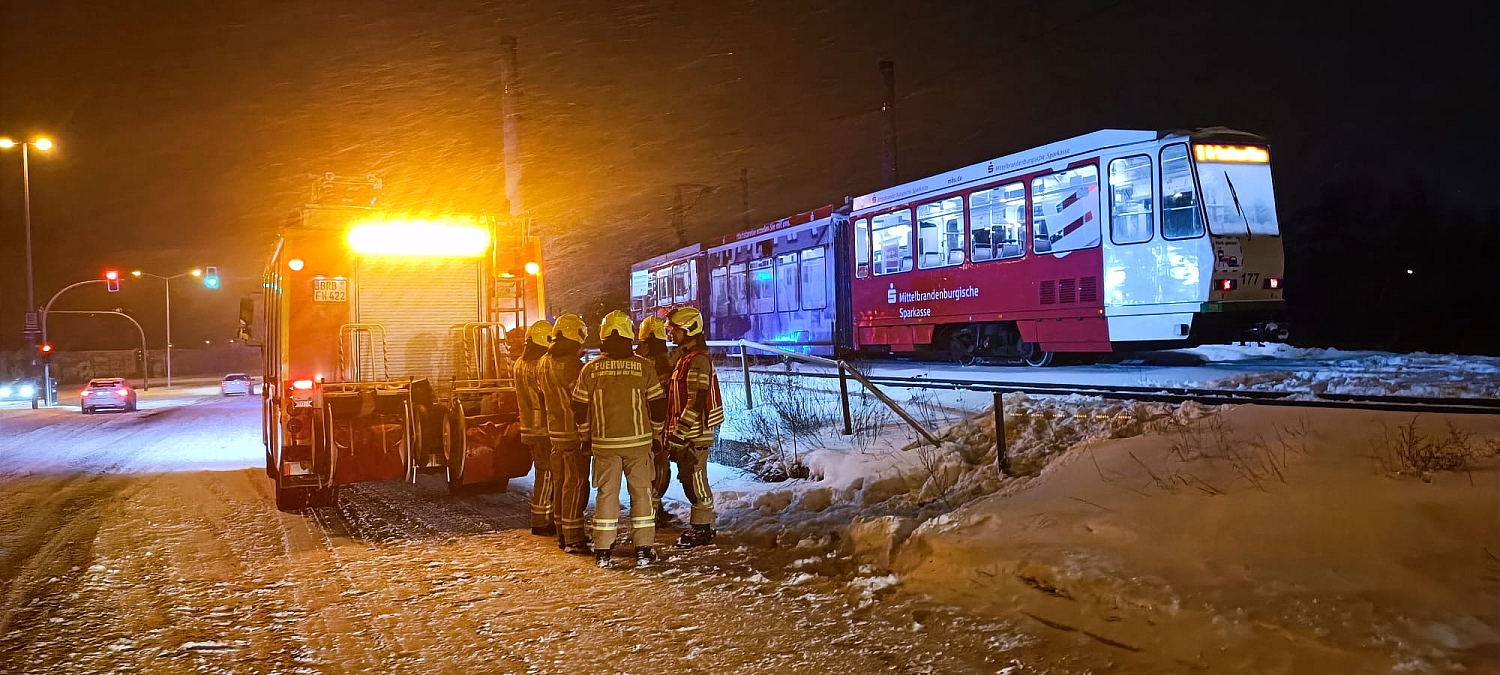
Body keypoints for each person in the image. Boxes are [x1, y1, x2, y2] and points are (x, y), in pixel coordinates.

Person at [572, 311, 668, 569]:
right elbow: (658, 405)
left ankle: (603, 550)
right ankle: (644, 550)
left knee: (607, 495)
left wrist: (585, 437)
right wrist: (656, 434)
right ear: (629, 335)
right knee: (642, 494)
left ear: (603, 335)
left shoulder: (590, 369)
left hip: (604, 444)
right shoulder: (644, 367)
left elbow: (578, 407)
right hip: (638, 443)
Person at [663, 306, 724, 548]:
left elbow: (696, 400)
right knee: (690, 479)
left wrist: (679, 433)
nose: (670, 334)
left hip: (695, 433)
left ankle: (702, 528)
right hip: (690, 431)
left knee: (696, 480)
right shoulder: (685, 358)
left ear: (689, 329)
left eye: (674, 329)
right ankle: (702, 525)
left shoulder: (697, 360)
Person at [540, 313, 591, 554]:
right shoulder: (572, 365)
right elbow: (581, 401)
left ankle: (562, 532)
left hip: (555, 432)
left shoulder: (544, 361)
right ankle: (574, 538)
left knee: (560, 483)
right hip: (574, 433)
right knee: (576, 484)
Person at [513, 319, 557, 536]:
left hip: (530, 427)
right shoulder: (539, 366)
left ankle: (543, 517)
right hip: (543, 429)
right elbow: (547, 394)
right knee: (547, 474)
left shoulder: (519, 364)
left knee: (543, 473)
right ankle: (541, 521)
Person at [635, 315, 678, 527]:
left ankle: (653, 508)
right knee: (661, 468)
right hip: (657, 422)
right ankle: (652, 510)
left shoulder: (635, 360)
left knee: (645, 470)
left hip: (637, 423)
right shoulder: (661, 362)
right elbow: (664, 396)